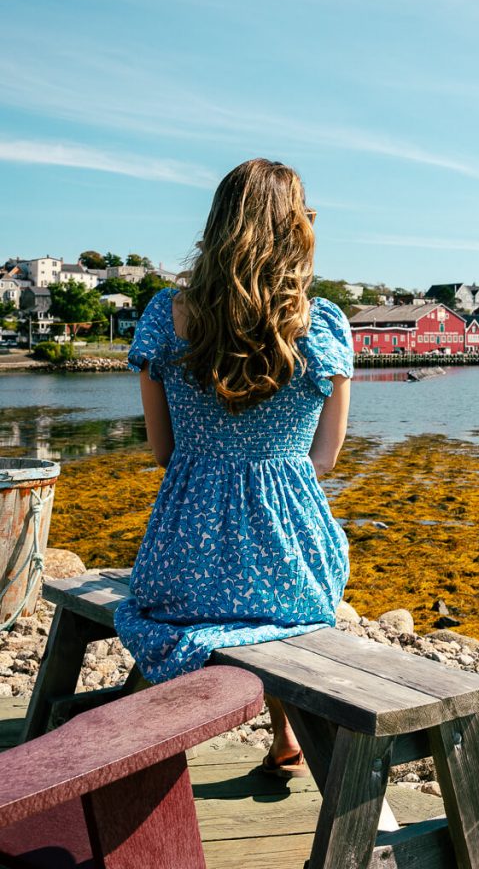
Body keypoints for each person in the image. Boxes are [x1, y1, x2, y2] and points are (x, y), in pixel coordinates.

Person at [113, 158, 354, 776]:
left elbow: (163, 453)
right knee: (269, 610)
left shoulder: (167, 317)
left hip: (182, 567)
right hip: (293, 568)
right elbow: (324, 459)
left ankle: (144, 745)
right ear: (299, 230)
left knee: (189, 606)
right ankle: (288, 740)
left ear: (217, 224)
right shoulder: (321, 324)